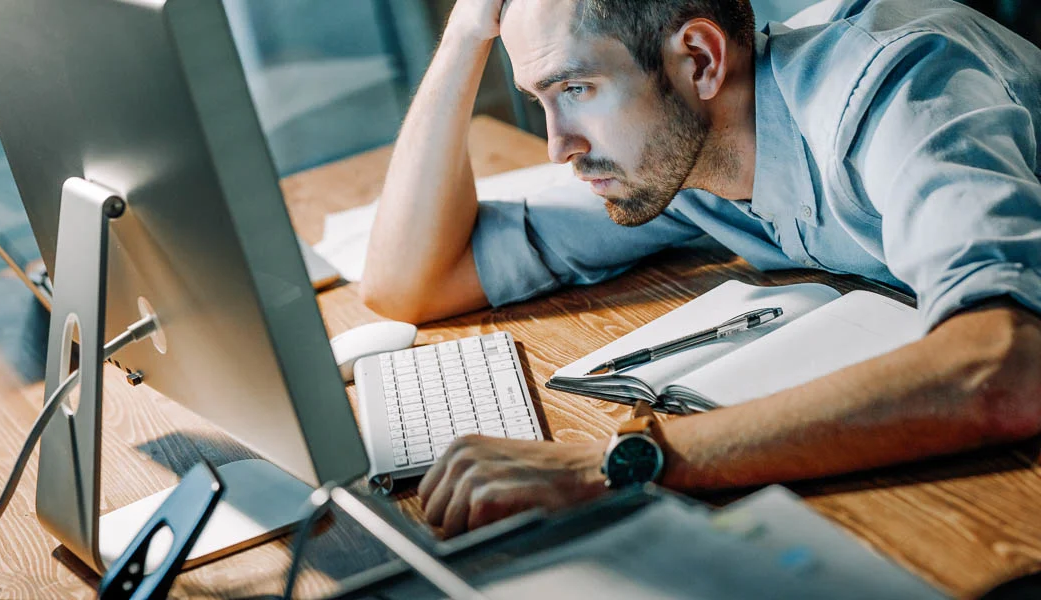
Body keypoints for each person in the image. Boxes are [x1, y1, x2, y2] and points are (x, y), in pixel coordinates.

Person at [362, 0, 1041, 538]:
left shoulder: (900, 85)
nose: (558, 144)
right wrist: (461, 38)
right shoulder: (684, 158)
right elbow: (411, 284)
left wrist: (613, 464)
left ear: (700, 59)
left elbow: (1006, 368)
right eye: (543, 98)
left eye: (576, 87)